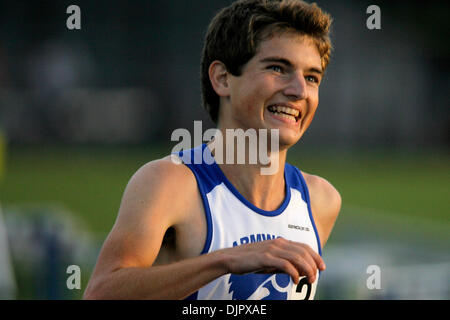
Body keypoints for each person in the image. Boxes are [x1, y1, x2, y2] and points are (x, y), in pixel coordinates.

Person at [84, 0, 341, 300]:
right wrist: (226, 260)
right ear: (222, 78)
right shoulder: (170, 183)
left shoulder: (320, 200)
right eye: (277, 68)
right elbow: (100, 293)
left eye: (312, 77)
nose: (299, 90)